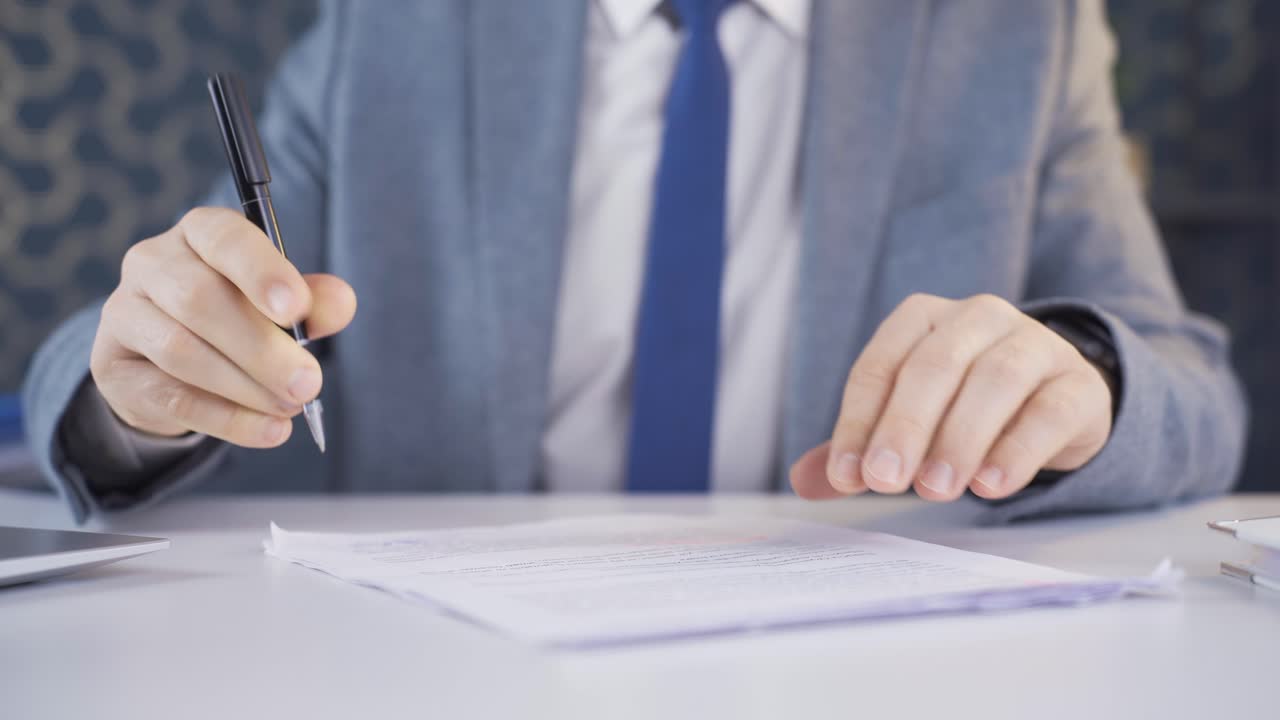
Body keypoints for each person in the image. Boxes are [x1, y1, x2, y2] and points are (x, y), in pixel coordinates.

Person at [22, 0, 1246, 524]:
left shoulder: (1011, 28)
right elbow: (170, 321)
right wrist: (147, 395)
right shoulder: (401, 27)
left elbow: (1184, 385)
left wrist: (1083, 380)